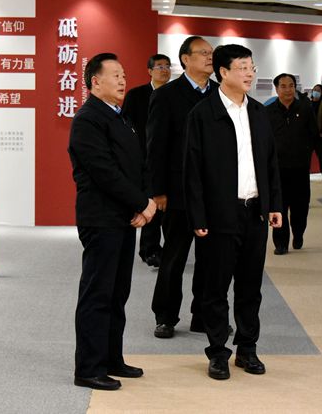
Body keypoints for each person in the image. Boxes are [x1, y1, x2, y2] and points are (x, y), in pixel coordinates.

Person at [184, 43, 282, 380]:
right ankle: (217, 352)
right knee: (215, 287)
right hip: (218, 215)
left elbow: (271, 163)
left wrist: (274, 204)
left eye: (252, 67)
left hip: (255, 212)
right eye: (242, 68)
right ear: (223, 72)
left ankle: (247, 349)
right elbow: (192, 171)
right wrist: (197, 216)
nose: (249, 74)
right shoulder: (203, 114)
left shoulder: (259, 112)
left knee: (250, 286)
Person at [68, 53, 157, 391]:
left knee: (118, 292)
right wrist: (142, 203)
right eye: (115, 75)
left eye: (123, 74)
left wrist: (143, 202)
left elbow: (138, 164)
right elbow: (104, 172)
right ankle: (88, 367)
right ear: (95, 82)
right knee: (98, 293)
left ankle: (111, 358)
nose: (123, 80)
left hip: (123, 218)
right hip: (101, 218)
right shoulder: (88, 119)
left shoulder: (120, 116)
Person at [147, 36, 218, 339]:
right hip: (177, 192)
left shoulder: (220, 93)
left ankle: (202, 316)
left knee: (210, 259)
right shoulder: (167, 95)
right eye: (203, 53)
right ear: (186, 59)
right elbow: (156, 146)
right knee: (174, 256)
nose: (210, 57)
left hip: (213, 192)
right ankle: (165, 316)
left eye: (211, 53)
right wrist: (158, 190)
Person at [122, 53, 172, 267]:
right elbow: (126, 126)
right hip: (144, 159)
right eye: (160, 66)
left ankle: (169, 249)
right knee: (150, 203)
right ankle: (149, 250)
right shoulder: (136, 95)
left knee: (170, 208)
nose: (164, 70)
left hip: (170, 160)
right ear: (150, 71)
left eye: (167, 66)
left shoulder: (175, 94)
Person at [267, 74, 317, 255]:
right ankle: (280, 243)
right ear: (276, 89)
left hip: (299, 169)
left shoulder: (305, 109)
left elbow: (313, 135)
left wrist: (305, 153)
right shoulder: (268, 112)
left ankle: (298, 233)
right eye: (283, 86)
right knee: (277, 207)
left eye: (291, 86)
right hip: (277, 170)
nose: (287, 90)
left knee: (300, 208)